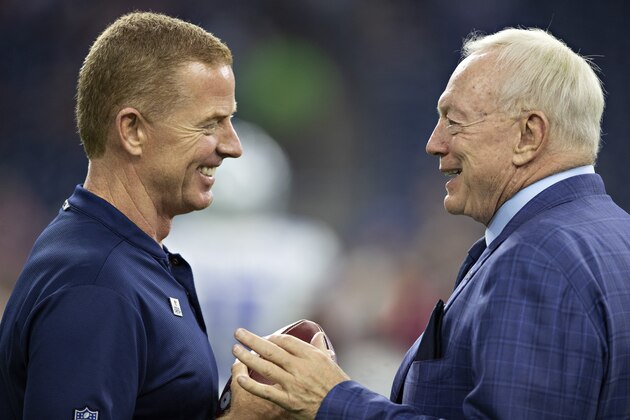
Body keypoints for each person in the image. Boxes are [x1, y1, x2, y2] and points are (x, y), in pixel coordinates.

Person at [230, 27, 630, 419]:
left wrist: (332, 399)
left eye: (454, 122)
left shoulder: (535, 258)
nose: (434, 143)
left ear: (529, 135)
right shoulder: (617, 235)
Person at [0, 11, 282, 420]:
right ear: (132, 131)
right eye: (210, 124)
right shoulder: (95, 284)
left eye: (230, 120)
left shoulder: (118, 258)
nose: (233, 146)